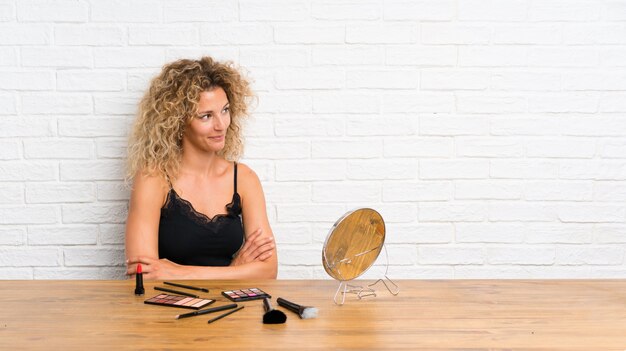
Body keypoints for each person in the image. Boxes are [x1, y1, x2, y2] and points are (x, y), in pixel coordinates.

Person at [124, 56, 277, 280]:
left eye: (225, 110)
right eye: (206, 116)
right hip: (168, 310)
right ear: (178, 121)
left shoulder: (243, 178)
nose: (221, 125)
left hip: (231, 307)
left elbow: (268, 271)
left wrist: (177, 272)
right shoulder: (153, 178)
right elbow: (142, 277)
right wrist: (237, 270)